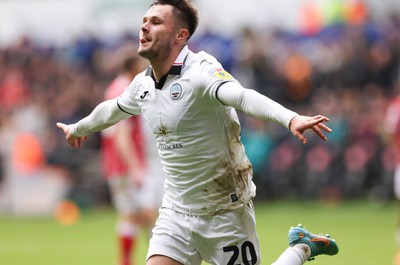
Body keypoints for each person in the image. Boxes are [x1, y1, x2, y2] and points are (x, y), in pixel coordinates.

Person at [57, 1, 339, 264]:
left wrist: (290, 118)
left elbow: (242, 96)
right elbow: (113, 109)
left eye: (156, 22)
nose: (144, 26)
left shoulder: (201, 72)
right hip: (176, 213)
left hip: (225, 211)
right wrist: (78, 128)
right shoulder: (142, 84)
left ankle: (301, 248)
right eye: (144, 21)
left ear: (180, 35)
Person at [100, 50, 165, 265]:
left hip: (119, 164)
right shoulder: (123, 90)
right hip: (127, 165)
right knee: (144, 214)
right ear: (132, 66)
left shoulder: (115, 88)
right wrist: (135, 168)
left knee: (139, 215)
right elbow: (121, 134)